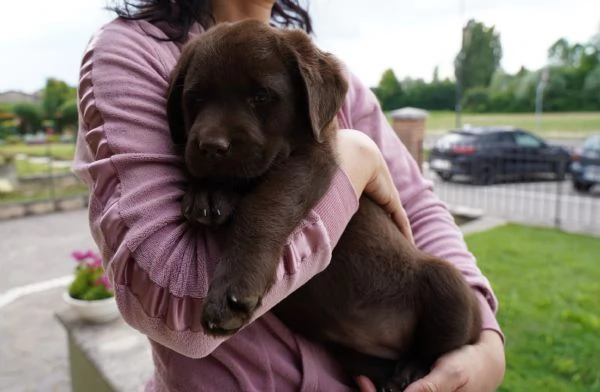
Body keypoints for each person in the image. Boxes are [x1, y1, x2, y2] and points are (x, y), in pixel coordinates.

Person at [73, 0, 505, 391]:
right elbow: (174, 306)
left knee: (444, 287)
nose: (214, 135)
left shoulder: (314, 69)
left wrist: (485, 344)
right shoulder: (135, 52)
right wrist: (351, 163)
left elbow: (421, 209)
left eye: (262, 99)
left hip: (396, 316)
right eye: (196, 103)